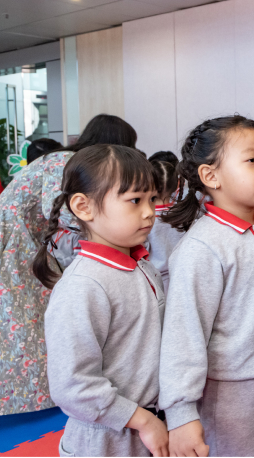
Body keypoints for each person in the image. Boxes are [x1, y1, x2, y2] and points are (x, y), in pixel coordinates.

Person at [159, 115, 254, 457]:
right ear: (210, 176)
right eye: (251, 160)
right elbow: (183, 337)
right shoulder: (201, 248)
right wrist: (181, 413)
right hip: (231, 393)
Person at [0, 113, 138, 415]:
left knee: (33, 321)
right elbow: (67, 214)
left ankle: (48, 395)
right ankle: (43, 399)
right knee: (20, 325)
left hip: (27, 244)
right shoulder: (63, 162)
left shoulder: (63, 161)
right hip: (13, 245)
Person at [40, 145, 168, 457]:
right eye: (135, 201)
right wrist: (144, 421)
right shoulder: (82, 286)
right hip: (104, 442)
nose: (150, 211)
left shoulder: (144, 267)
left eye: (151, 199)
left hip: (147, 428)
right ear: (84, 207)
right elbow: (73, 386)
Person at [147, 151, 183, 296]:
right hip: (179, 278)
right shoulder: (184, 213)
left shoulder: (146, 217)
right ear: (177, 184)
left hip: (153, 280)